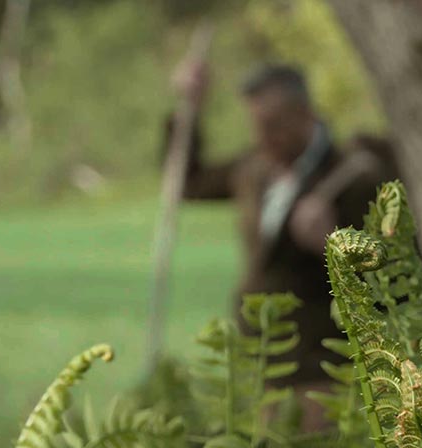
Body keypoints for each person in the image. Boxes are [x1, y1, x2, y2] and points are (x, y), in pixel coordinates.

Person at [165, 61, 398, 424]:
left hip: (323, 369)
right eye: (255, 126)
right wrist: (189, 108)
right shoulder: (254, 168)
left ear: (303, 114)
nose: (262, 138)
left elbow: (395, 275)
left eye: (273, 126)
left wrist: (331, 241)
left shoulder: (355, 174)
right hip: (261, 362)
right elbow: (188, 183)